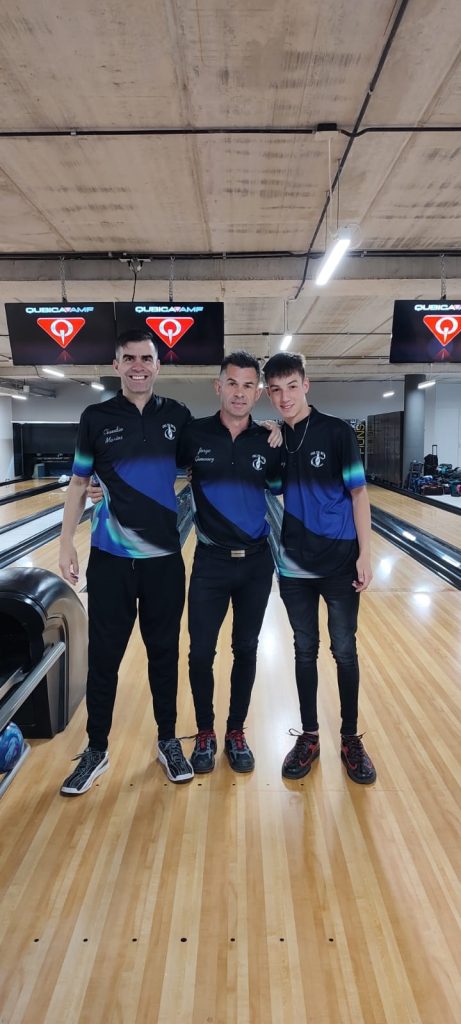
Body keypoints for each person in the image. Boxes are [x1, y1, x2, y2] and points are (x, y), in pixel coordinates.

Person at [58, 328, 194, 794]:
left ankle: (167, 740)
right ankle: (96, 749)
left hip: (163, 561)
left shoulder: (177, 416)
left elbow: (208, 459)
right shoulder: (95, 417)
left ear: (158, 365)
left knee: (164, 655)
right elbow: (80, 483)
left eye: (147, 358)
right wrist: (65, 543)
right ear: (116, 365)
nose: (139, 366)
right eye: (130, 358)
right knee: (104, 659)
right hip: (110, 559)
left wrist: (268, 431)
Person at [263, 351, 376, 785]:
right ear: (269, 394)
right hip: (295, 565)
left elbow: (359, 494)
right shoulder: (278, 440)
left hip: (340, 561)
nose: (285, 397)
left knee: (344, 650)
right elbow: (274, 489)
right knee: (304, 650)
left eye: (292, 386)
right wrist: (271, 443)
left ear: (306, 385)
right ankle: (309, 736)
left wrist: (366, 554)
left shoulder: (337, 432)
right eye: (276, 390)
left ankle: (350, 738)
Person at [178, 352, 283, 774]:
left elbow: (288, 488)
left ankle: (235, 731)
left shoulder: (268, 441)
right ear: (218, 386)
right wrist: (100, 486)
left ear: (258, 393)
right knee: (200, 653)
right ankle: (205, 731)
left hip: (257, 564)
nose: (240, 393)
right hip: (211, 562)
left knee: (246, 649)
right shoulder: (193, 435)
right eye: (232, 384)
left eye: (248, 385)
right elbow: (148, 466)